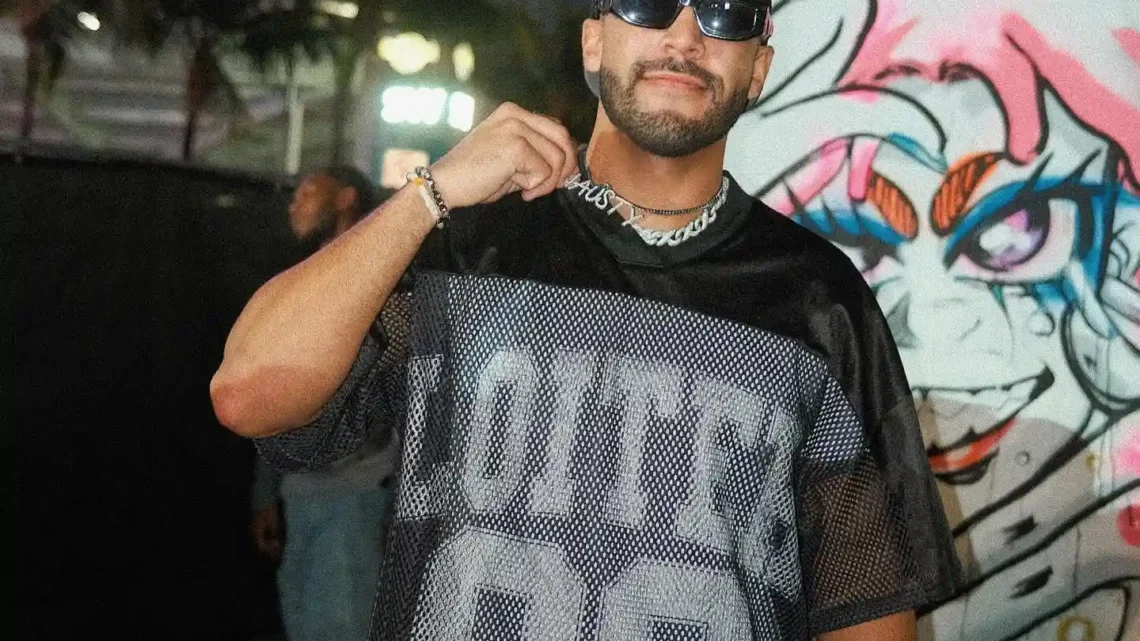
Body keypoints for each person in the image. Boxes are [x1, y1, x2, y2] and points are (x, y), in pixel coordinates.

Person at [212, 2, 962, 640]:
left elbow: (868, 607)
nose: (684, 35)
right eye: (647, 3)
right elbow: (248, 392)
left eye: (725, 12)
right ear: (594, 41)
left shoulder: (819, 300)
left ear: (758, 67)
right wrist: (427, 193)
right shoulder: (467, 247)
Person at [247, 166, 401, 641]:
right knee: (304, 623)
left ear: (345, 198)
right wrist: (267, 492)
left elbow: (406, 392)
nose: (295, 202)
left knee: (339, 627)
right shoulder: (299, 280)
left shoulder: (386, 275)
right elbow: (275, 391)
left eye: (309, 191)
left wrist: (398, 504)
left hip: (358, 492)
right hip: (302, 492)